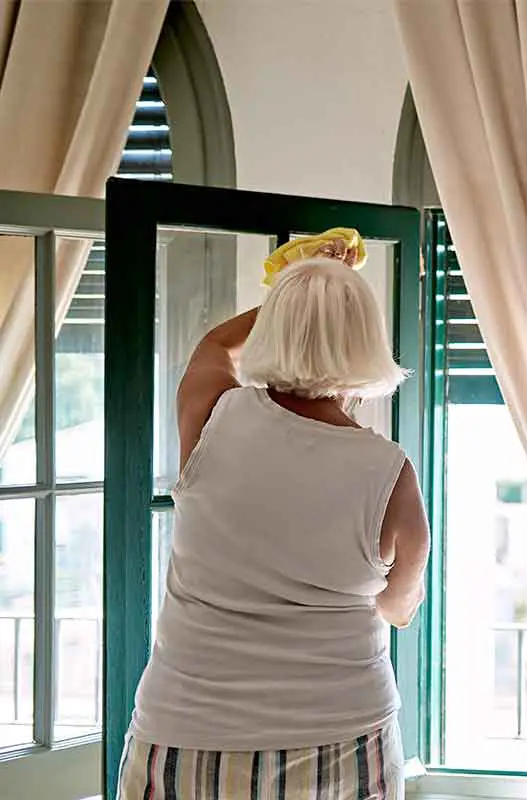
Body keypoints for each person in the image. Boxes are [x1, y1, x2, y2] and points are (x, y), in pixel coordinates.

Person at [117, 232, 430, 799]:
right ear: (368, 343)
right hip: (340, 738)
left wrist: (297, 296)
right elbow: (400, 608)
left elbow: (215, 344)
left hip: (187, 730)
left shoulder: (212, 414)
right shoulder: (391, 474)